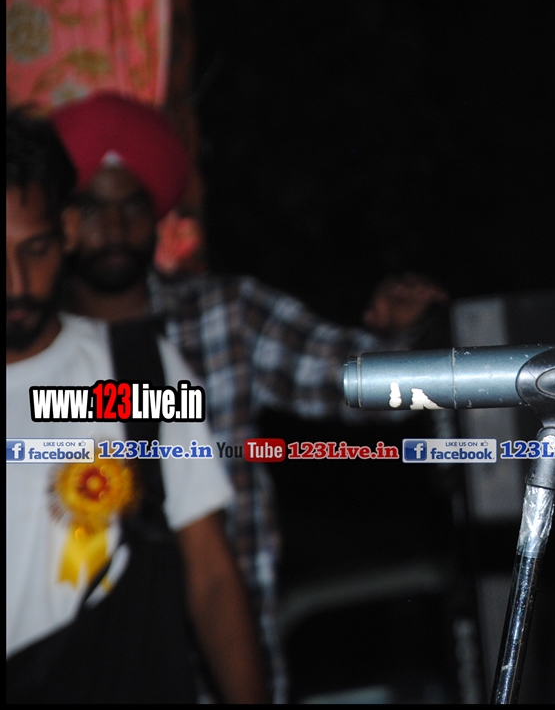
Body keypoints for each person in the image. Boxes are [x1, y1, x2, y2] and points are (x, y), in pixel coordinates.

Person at [48, 91, 447, 702]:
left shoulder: (224, 315)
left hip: (231, 673)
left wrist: (408, 337)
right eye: (93, 208)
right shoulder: (34, 351)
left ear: (158, 212)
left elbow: (361, 384)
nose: (116, 227)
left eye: (133, 205)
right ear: (63, 222)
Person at [6, 107, 268, 702]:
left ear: (66, 233)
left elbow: (211, 575)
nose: (16, 283)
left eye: (35, 250)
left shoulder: (137, 371)